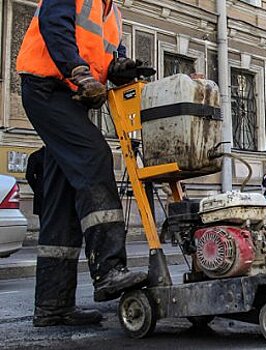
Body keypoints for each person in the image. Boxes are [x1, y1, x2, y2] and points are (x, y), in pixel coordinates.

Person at [16, 0, 148, 327]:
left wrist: (120, 67)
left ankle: (52, 305)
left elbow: (106, 55)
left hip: (73, 96)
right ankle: (108, 269)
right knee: (94, 157)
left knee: (61, 198)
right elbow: (54, 26)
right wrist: (79, 72)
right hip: (47, 87)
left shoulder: (112, 12)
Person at [25, 146, 45, 219]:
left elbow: (29, 176)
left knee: (43, 219)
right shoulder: (59, 156)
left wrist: (36, 188)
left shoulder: (36, 155)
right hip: (57, 192)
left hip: (41, 190)